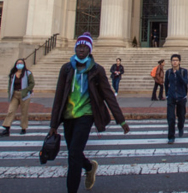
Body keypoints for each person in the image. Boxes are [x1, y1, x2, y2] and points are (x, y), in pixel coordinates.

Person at [49, 33, 130, 192]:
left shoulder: (96, 70)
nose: (81, 49)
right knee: (74, 151)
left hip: (86, 116)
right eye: (79, 46)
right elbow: (59, 97)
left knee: (73, 155)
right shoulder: (66, 69)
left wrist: (121, 120)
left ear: (90, 50)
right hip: (68, 116)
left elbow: (108, 95)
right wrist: (53, 124)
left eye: (85, 47)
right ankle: (88, 166)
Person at [0, 58, 35, 136]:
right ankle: (7, 128)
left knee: (24, 112)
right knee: (11, 111)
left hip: (24, 94)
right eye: (18, 63)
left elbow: (32, 83)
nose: (19, 64)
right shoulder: (13, 74)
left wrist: (26, 90)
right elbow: (10, 84)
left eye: (21, 63)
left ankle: (23, 128)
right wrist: (9, 93)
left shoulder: (28, 73)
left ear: (24, 64)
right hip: (14, 94)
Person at [164, 53, 188, 144]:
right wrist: (167, 94)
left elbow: (185, 82)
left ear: (179, 62)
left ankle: (180, 127)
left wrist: (177, 73)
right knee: (171, 118)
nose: (174, 62)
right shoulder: (168, 72)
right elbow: (166, 84)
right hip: (171, 97)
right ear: (171, 62)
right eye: (173, 60)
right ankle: (171, 136)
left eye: (176, 60)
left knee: (181, 116)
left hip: (181, 97)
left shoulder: (184, 71)